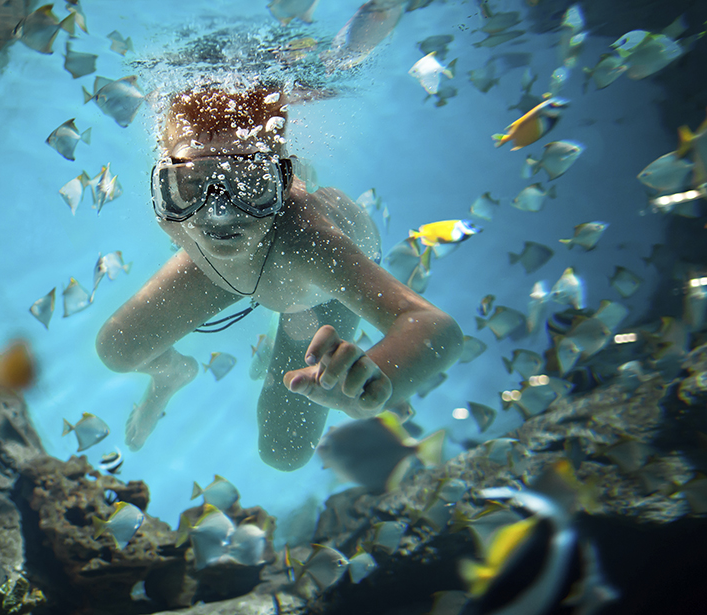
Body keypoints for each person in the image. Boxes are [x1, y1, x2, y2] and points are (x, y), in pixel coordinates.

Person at [96, 84, 463, 471]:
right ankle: (173, 375)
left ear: (283, 185)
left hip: (318, 291)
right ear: (164, 184)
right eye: (190, 183)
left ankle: (288, 320)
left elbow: (436, 327)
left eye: (251, 181)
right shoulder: (177, 219)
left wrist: (380, 375)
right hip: (264, 269)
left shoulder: (309, 242)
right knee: (117, 348)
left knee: (284, 452)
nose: (218, 214)